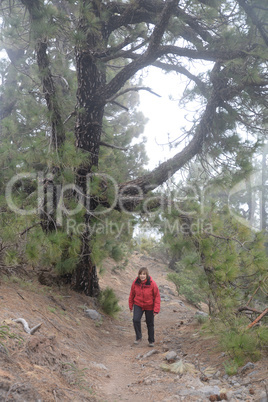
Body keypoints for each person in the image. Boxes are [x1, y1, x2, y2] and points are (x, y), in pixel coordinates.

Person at [129, 267, 161, 347]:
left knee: (150, 323)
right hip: (138, 304)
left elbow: (157, 296)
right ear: (138, 275)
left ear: (147, 275)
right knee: (135, 320)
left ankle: (151, 340)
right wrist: (131, 306)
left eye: (144, 274)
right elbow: (132, 294)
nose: (142, 276)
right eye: (140, 274)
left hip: (149, 306)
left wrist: (156, 309)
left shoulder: (152, 283)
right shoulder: (135, 283)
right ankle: (138, 337)